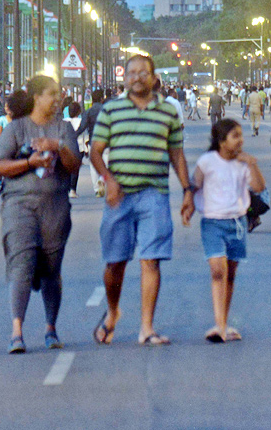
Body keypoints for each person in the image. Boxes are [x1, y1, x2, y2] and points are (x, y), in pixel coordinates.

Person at [90, 55, 193, 347]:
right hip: (119, 195)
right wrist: (109, 180)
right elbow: (96, 151)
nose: (137, 78)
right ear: (125, 78)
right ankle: (113, 312)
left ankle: (146, 327)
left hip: (154, 194)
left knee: (151, 260)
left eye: (142, 73)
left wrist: (187, 190)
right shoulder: (111, 110)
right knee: (115, 264)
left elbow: (176, 153)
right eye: (132, 73)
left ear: (153, 77)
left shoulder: (168, 112)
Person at [0, 75, 81, 354]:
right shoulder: (16, 128)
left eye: (59, 94)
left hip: (55, 204)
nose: (57, 99)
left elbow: (74, 164)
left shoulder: (63, 128)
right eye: (52, 94)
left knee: (51, 269)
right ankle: (17, 331)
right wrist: (28, 161)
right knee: (22, 262)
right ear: (36, 97)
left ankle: (50, 328)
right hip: (19, 204)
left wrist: (57, 147)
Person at [186, 118, 264, 343]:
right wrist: (188, 205)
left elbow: (258, 187)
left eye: (241, 135)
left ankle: (223, 323)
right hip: (212, 222)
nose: (240, 140)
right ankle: (219, 325)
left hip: (237, 224)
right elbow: (195, 185)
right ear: (221, 141)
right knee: (218, 271)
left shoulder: (243, 163)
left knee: (229, 275)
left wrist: (252, 163)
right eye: (235, 136)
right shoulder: (207, 161)